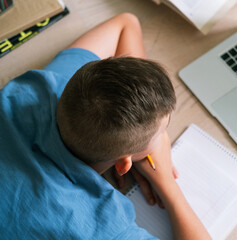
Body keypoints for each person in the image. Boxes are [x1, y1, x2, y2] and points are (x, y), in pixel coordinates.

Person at [0, 13, 211, 239]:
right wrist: (167, 183)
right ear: (122, 165)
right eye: (161, 133)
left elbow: (126, 23)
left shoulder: (34, 89)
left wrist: (139, 135)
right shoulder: (101, 226)